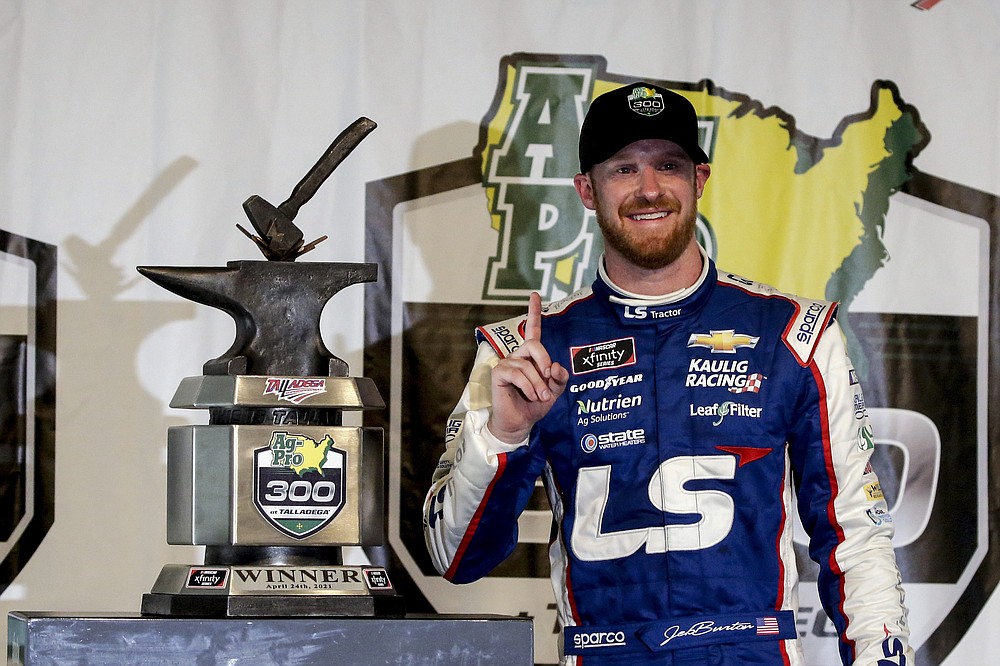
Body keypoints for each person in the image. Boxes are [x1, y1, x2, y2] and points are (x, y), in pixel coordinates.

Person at [423, 82, 913, 665]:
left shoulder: (795, 335)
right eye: (624, 168)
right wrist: (503, 436)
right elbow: (453, 558)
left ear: (699, 180)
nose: (649, 188)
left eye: (669, 165)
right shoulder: (523, 351)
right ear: (587, 189)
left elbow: (855, 533)